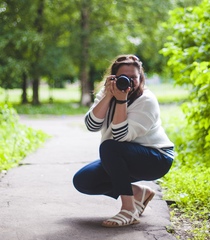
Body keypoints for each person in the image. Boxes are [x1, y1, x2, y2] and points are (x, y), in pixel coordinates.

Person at [73, 54, 174, 228]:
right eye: (123, 77)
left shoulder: (146, 100)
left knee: (110, 147)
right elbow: (91, 125)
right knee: (83, 180)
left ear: (140, 78)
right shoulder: (107, 94)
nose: (128, 81)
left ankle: (129, 210)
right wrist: (108, 96)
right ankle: (138, 193)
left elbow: (120, 137)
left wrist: (121, 101)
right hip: (123, 154)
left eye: (133, 77)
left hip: (156, 158)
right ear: (113, 78)